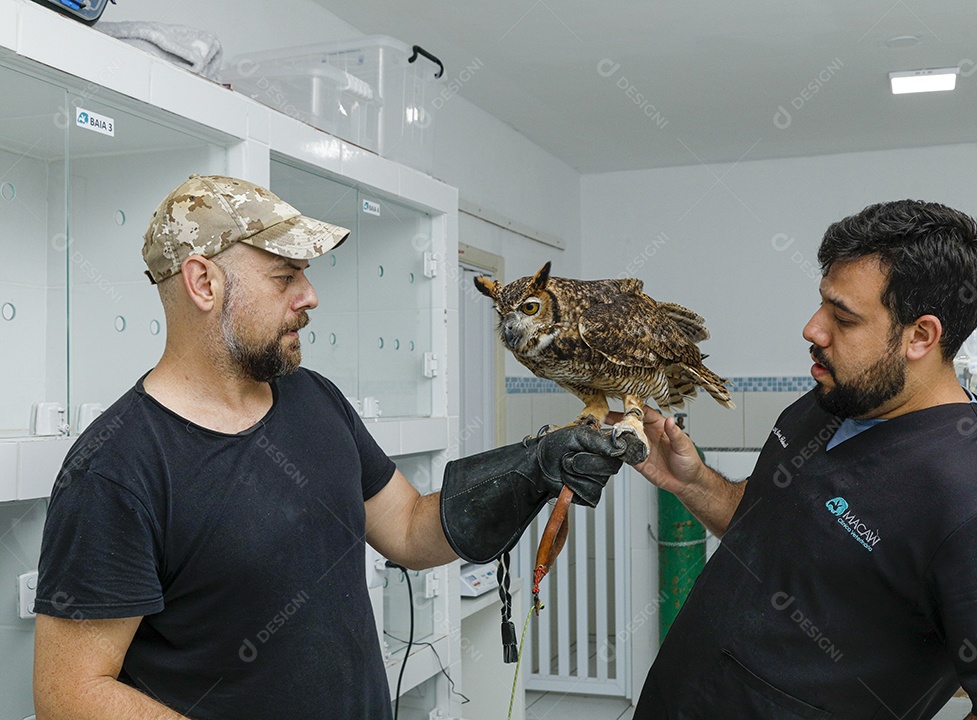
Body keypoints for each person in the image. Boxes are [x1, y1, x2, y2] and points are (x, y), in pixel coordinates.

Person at [32, 174, 632, 720]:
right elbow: (70, 694)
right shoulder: (116, 469)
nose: (311, 295)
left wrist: (531, 466)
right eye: (284, 276)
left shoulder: (314, 399)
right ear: (203, 281)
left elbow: (409, 530)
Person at [627, 200, 977, 719]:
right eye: (823, 304)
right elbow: (770, 532)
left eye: (843, 317)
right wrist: (695, 484)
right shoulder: (828, 401)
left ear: (920, 336)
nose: (813, 329)